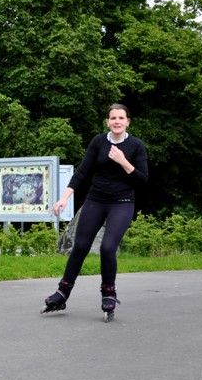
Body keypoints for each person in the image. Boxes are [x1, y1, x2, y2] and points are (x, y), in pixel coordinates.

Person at [42, 103, 148, 321]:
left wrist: (123, 161)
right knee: (80, 246)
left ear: (128, 121)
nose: (117, 122)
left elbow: (142, 180)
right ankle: (62, 293)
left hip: (122, 202)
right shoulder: (98, 142)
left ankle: (108, 294)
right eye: (113, 118)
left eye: (121, 118)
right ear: (108, 121)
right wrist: (64, 198)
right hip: (96, 200)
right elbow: (82, 172)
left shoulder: (136, 146)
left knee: (108, 248)